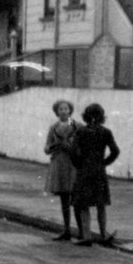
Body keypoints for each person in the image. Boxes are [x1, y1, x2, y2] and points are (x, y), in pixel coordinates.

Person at [71, 103, 120, 246]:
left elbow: (73, 152)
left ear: (86, 117)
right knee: (101, 204)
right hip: (99, 171)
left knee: (83, 205)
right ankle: (103, 235)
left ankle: (86, 236)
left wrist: (79, 164)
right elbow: (115, 151)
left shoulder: (80, 132)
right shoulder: (106, 132)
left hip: (84, 171)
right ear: (101, 117)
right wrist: (105, 163)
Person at [43, 99, 81, 241]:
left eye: (66, 109)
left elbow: (82, 144)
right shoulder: (53, 127)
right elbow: (46, 147)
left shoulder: (77, 126)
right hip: (59, 163)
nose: (64, 111)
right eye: (61, 109)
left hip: (73, 164)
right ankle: (67, 230)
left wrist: (71, 146)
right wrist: (53, 146)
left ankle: (82, 231)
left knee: (76, 198)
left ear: (70, 110)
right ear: (57, 112)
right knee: (64, 198)